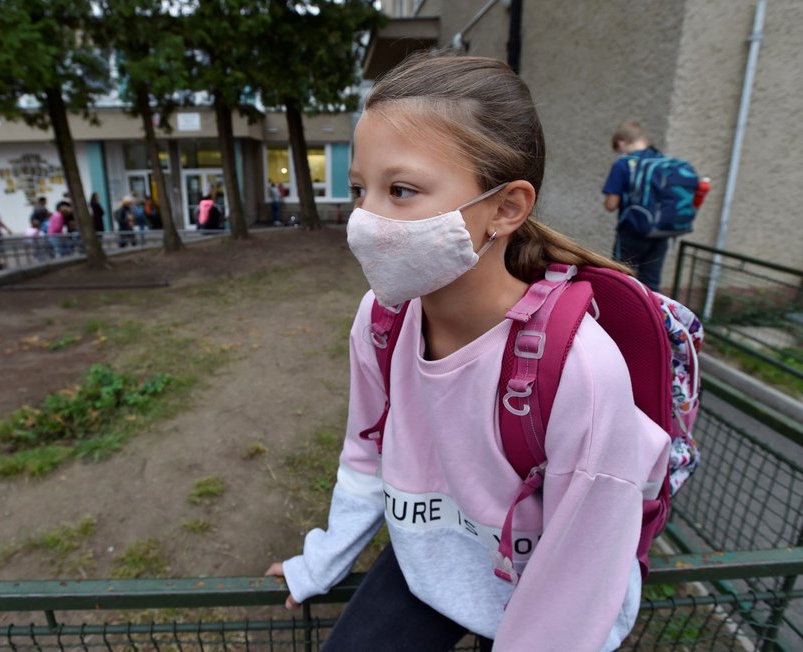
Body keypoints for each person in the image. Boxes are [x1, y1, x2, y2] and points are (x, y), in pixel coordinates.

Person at [264, 53, 669, 651]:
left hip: (548, 588)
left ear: (506, 208)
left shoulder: (580, 369)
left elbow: (579, 575)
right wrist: (321, 561)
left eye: (401, 190)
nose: (365, 220)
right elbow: (365, 450)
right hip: (429, 560)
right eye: (359, 190)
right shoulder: (382, 318)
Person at [602, 120, 669, 292]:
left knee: (622, 279)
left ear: (621, 143)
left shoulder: (623, 164)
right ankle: (652, 317)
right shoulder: (663, 161)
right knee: (652, 284)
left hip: (632, 232)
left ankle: (621, 317)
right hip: (661, 231)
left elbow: (611, 204)